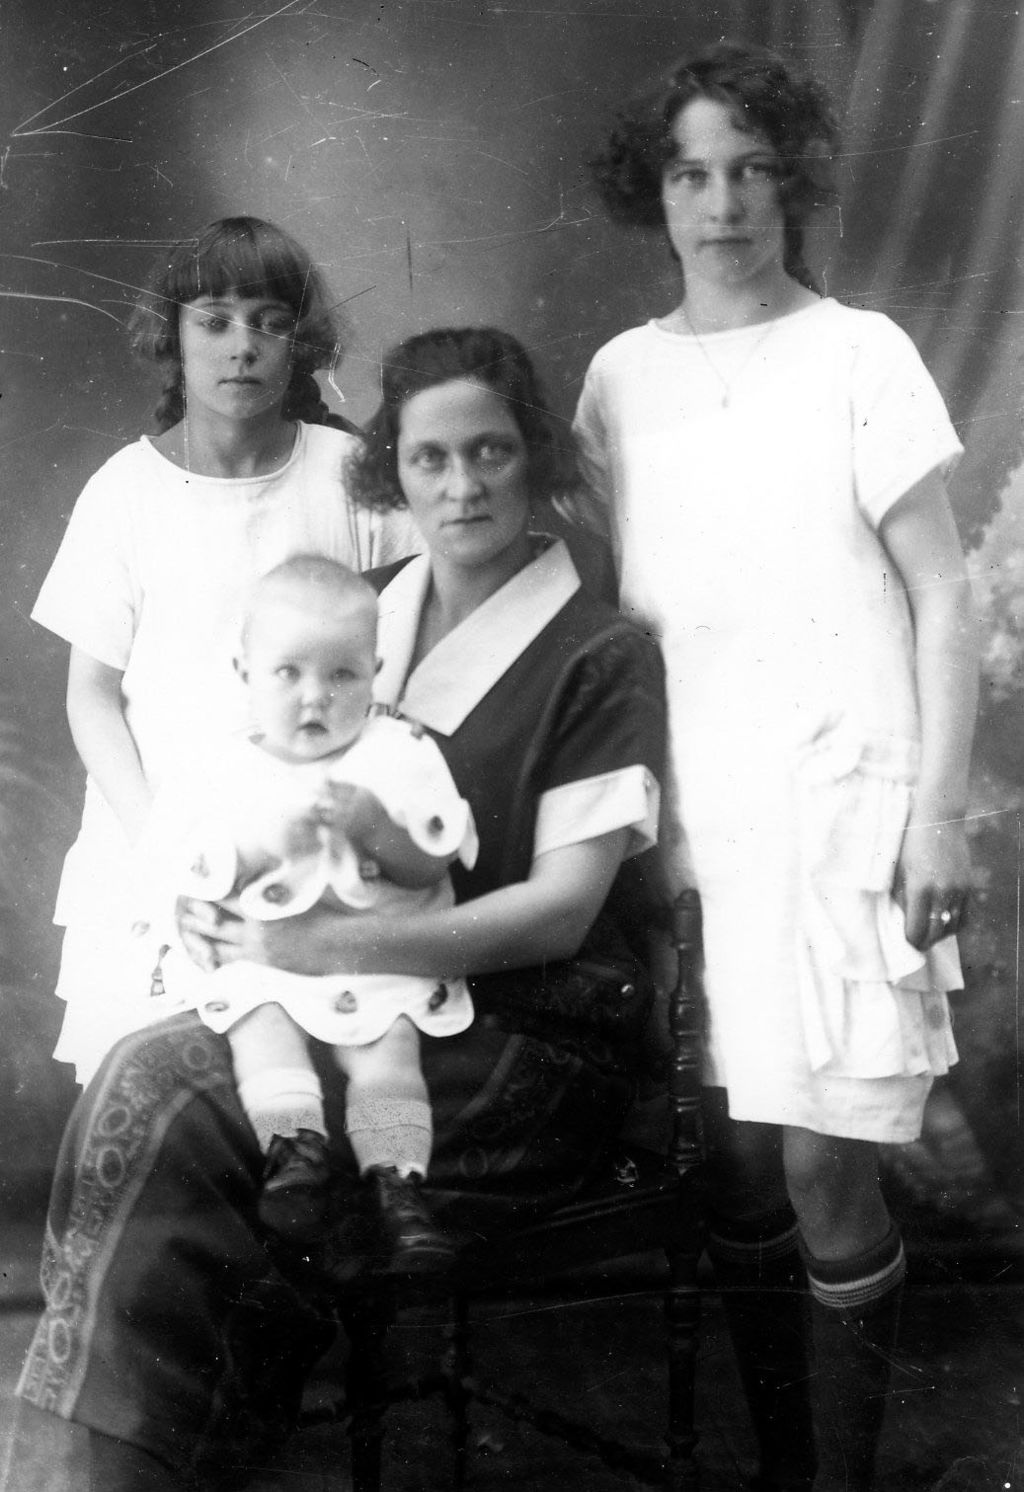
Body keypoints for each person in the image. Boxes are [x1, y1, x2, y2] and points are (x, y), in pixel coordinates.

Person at [11, 326, 667, 1491]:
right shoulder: (356, 618)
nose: (461, 486)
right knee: (147, 1077)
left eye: (490, 451)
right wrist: (226, 904)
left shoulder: (596, 649)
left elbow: (563, 914)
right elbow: (254, 797)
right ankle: (99, 1467)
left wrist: (324, 941)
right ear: (390, 473)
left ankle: (122, 1466)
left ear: (535, 455)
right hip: (335, 992)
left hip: (529, 1025)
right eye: (428, 459)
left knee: (189, 1119)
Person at [576, 39, 979, 1492]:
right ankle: (780, 1464)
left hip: (839, 804)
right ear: (656, 193)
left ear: (792, 183)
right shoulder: (621, 378)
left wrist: (938, 816)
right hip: (696, 813)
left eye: (751, 171)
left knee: (822, 1158)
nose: (725, 203)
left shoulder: (861, 352)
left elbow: (945, 595)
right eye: (693, 175)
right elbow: (621, 611)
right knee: (736, 1163)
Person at [30, 216, 418, 1086]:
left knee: (312, 1088)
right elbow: (92, 695)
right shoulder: (125, 491)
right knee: (156, 1092)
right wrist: (162, 844)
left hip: (317, 844)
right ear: (172, 337)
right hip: (160, 836)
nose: (242, 346)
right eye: (214, 322)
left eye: (270, 323)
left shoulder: (349, 473)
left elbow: (400, 654)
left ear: (299, 342)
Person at [142, 553, 478, 1269]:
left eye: (342, 675)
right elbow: (190, 867)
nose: (314, 698)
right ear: (245, 673)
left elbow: (433, 859)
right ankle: (295, 1153)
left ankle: (397, 1183)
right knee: (259, 1024)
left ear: (375, 673)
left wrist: (376, 828)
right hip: (267, 955)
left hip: (373, 949)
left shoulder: (399, 752)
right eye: (288, 673)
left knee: (389, 1048)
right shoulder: (221, 767)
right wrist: (261, 847)